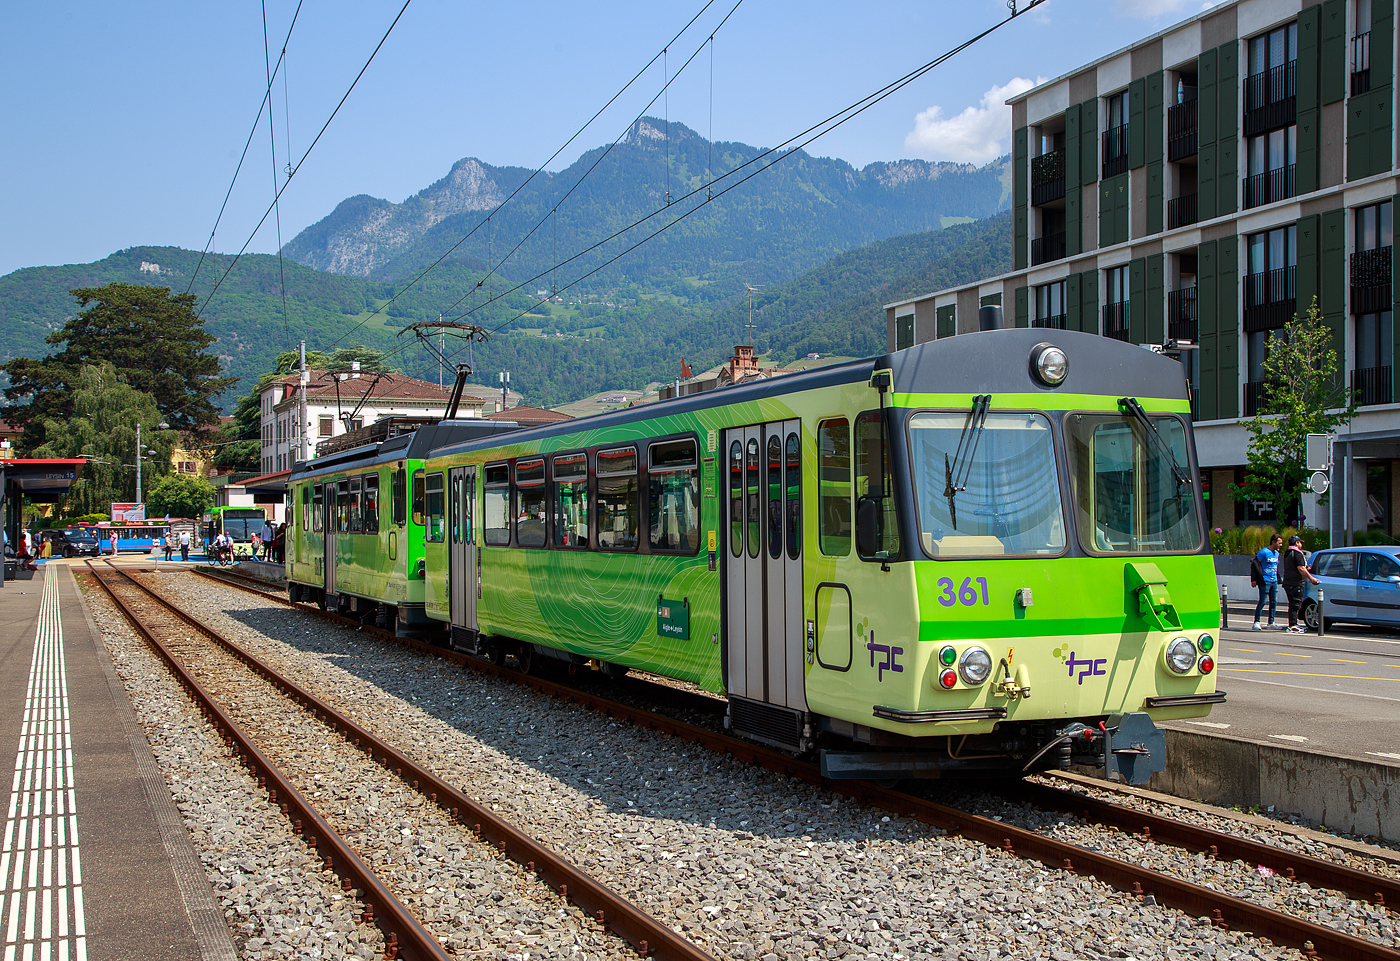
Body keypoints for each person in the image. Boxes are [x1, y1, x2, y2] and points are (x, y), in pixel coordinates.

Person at [1281, 534, 1319, 633]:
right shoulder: (1297, 553)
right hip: (1295, 583)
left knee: (1293, 603)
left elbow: (1297, 567)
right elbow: (1300, 568)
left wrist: (1306, 569)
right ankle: (1293, 625)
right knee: (1295, 604)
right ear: (1297, 543)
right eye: (1300, 542)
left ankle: (1293, 624)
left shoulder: (1288, 553)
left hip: (1288, 582)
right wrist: (1311, 578)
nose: (1301, 544)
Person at [1251, 534, 1283, 631]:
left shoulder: (1276, 554)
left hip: (1274, 580)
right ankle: (1256, 622)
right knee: (1263, 601)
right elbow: (1254, 564)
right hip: (1265, 580)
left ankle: (1271, 622)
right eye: (1279, 543)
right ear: (1273, 542)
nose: (1280, 545)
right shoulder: (1264, 552)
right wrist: (1254, 579)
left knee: (1274, 602)